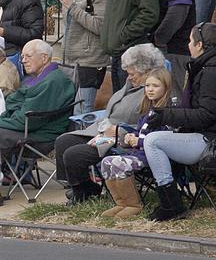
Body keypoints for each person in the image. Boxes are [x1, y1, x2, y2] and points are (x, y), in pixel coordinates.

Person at [0, 39, 75, 213]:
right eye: (23, 56)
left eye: (28, 56)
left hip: (40, 135)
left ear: (44, 58)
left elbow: (26, 119)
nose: (23, 60)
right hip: (27, 126)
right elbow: (13, 101)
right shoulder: (35, 79)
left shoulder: (53, 81)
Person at [53, 44, 166, 203]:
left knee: (74, 154)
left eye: (133, 73)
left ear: (147, 71)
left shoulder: (151, 93)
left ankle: (83, 193)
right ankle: (83, 187)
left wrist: (118, 131)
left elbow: (147, 126)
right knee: (63, 141)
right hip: (102, 131)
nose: (129, 77)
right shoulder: (129, 85)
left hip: (123, 139)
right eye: (127, 72)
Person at [142, 22, 216, 221]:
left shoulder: (210, 71)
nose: (188, 45)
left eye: (190, 41)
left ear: (199, 45)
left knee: (153, 140)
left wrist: (166, 115)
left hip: (209, 141)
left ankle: (171, 203)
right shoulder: (205, 67)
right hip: (203, 134)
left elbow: (206, 115)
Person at [98, 68, 175, 218]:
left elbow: (165, 139)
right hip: (138, 153)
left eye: (155, 86)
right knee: (106, 162)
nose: (150, 90)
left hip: (154, 157)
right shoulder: (148, 111)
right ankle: (121, 203)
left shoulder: (169, 112)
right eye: (147, 86)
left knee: (119, 163)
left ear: (166, 88)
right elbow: (141, 132)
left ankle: (134, 205)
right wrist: (130, 136)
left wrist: (138, 140)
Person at [58, 0, 110, 114]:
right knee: (69, 110)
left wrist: (72, 7)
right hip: (71, 60)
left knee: (82, 111)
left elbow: (100, 26)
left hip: (90, 61)